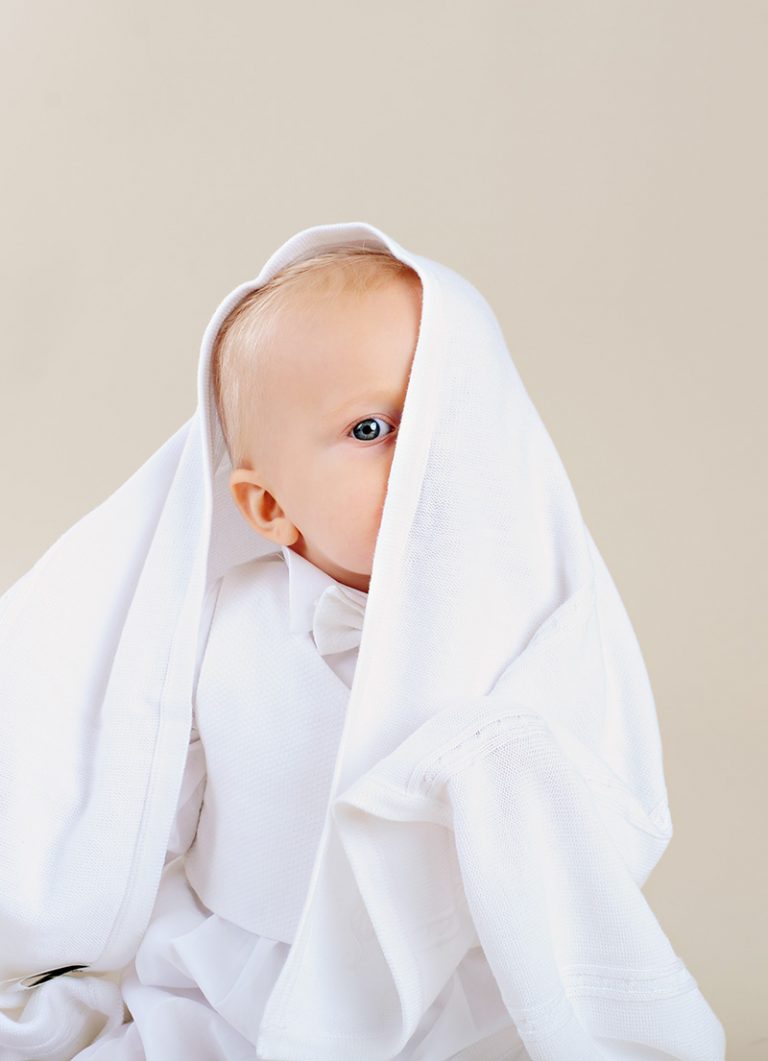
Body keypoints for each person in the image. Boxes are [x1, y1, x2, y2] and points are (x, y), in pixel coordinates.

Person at [0, 222, 726, 1060]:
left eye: (443, 418)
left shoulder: (519, 627)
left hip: (439, 981)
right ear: (269, 506)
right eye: (371, 431)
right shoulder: (214, 623)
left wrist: (501, 756)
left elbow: (592, 812)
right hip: (228, 969)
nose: (422, 456)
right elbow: (142, 790)